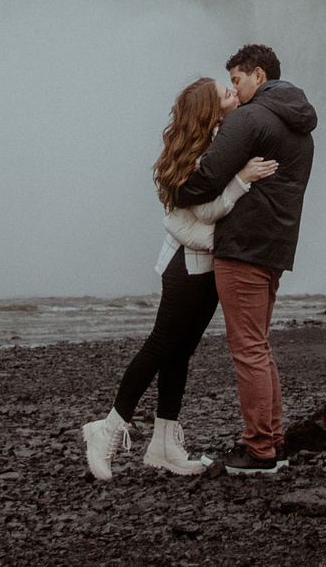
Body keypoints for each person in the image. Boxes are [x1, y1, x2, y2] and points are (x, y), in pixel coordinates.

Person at [77, 77, 279, 480]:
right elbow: (204, 213)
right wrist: (242, 181)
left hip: (209, 266)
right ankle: (107, 428)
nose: (230, 90)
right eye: (223, 90)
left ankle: (164, 445)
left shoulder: (223, 138)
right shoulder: (202, 154)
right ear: (206, 109)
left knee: (180, 352)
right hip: (186, 265)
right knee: (160, 345)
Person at [172, 43, 315, 475]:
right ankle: (273, 441)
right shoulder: (300, 124)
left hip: (244, 248)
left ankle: (258, 452)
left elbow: (208, 175)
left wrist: (176, 193)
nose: (233, 89)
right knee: (260, 346)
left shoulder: (250, 118)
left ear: (257, 75)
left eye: (236, 80)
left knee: (248, 349)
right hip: (275, 248)